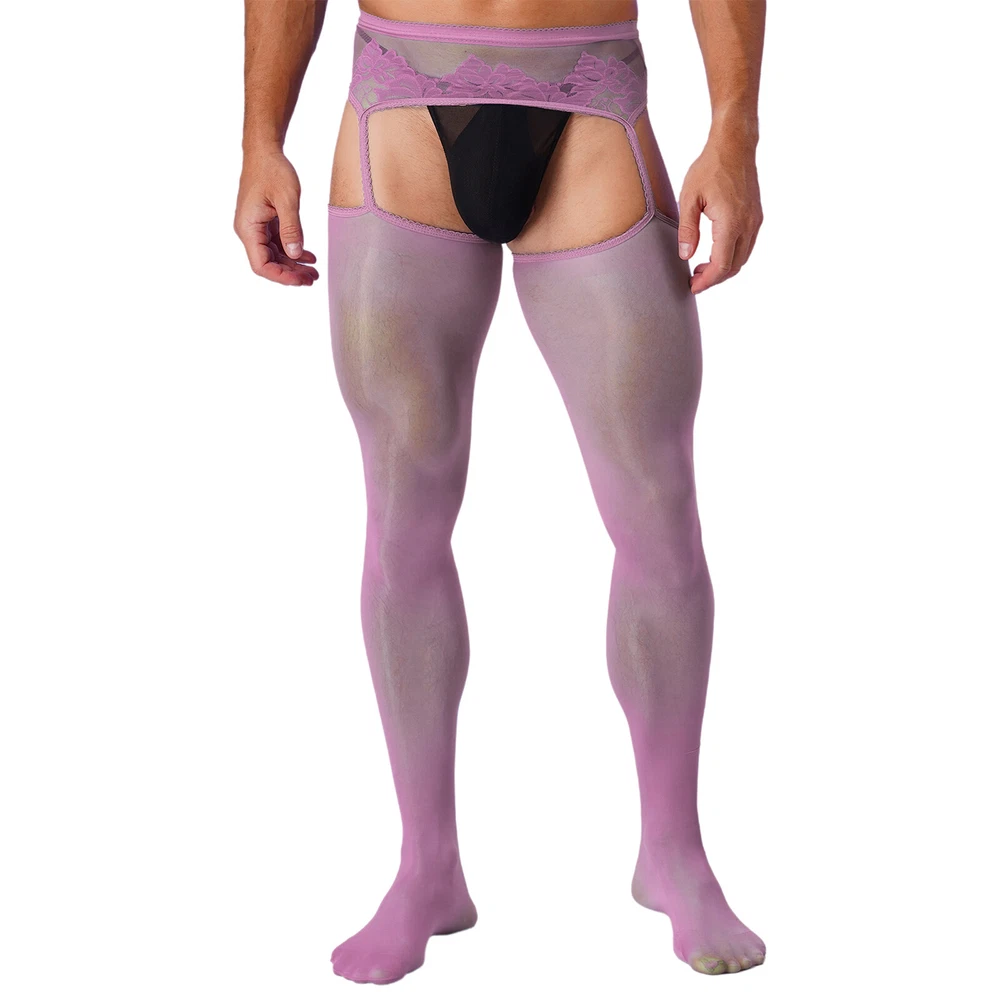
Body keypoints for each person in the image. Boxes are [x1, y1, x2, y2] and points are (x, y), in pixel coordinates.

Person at [235, 0, 766, 984]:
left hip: (590, 99)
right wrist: (260, 139)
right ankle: (426, 865)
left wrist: (732, 130)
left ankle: (674, 852)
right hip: (398, 105)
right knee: (403, 520)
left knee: (657, 513)